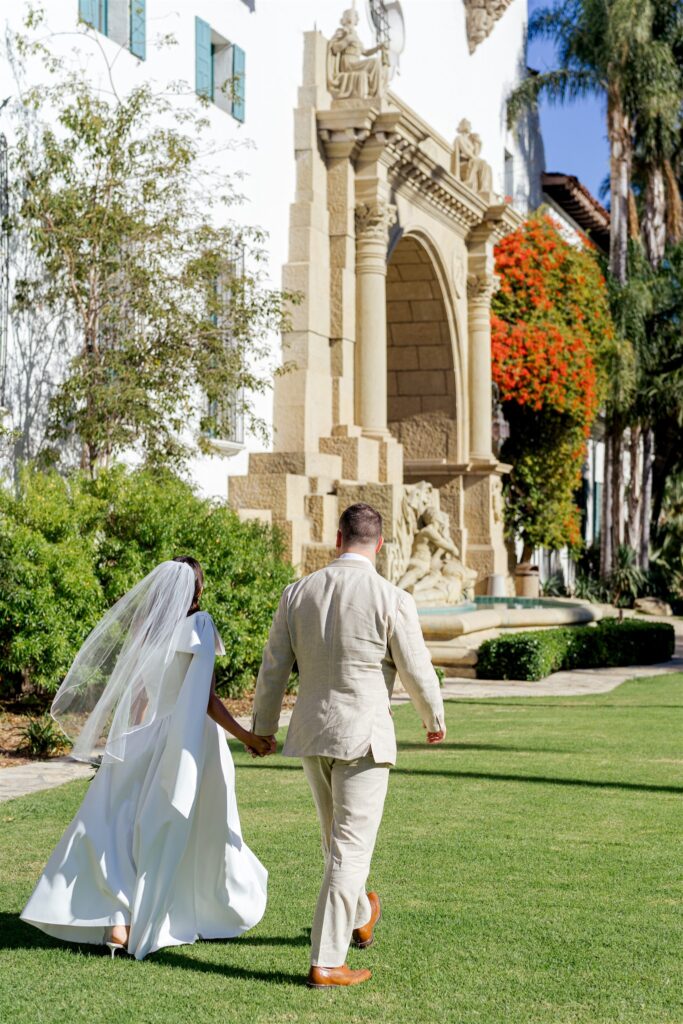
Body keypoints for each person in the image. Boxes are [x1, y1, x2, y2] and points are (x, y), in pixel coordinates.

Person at [21, 557, 270, 960]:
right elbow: (206, 700)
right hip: (189, 743)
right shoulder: (200, 626)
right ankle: (171, 911)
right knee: (185, 830)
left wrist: (124, 746)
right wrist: (248, 738)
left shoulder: (146, 630)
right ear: (197, 592)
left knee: (119, 827)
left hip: (146, 736)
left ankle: (118, 920)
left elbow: (138, 696)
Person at [251, 502, 446, 988]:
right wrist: (433, 718)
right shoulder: (392, 598)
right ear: (379, 544)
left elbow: (274, 667)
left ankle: (361, 914)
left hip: (312, 732)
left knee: (335, 841)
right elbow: (416, 668)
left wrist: (264, 727)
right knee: (349, 849)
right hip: (364, 735)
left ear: (338, 539)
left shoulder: (297, 593)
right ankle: (326, 961)